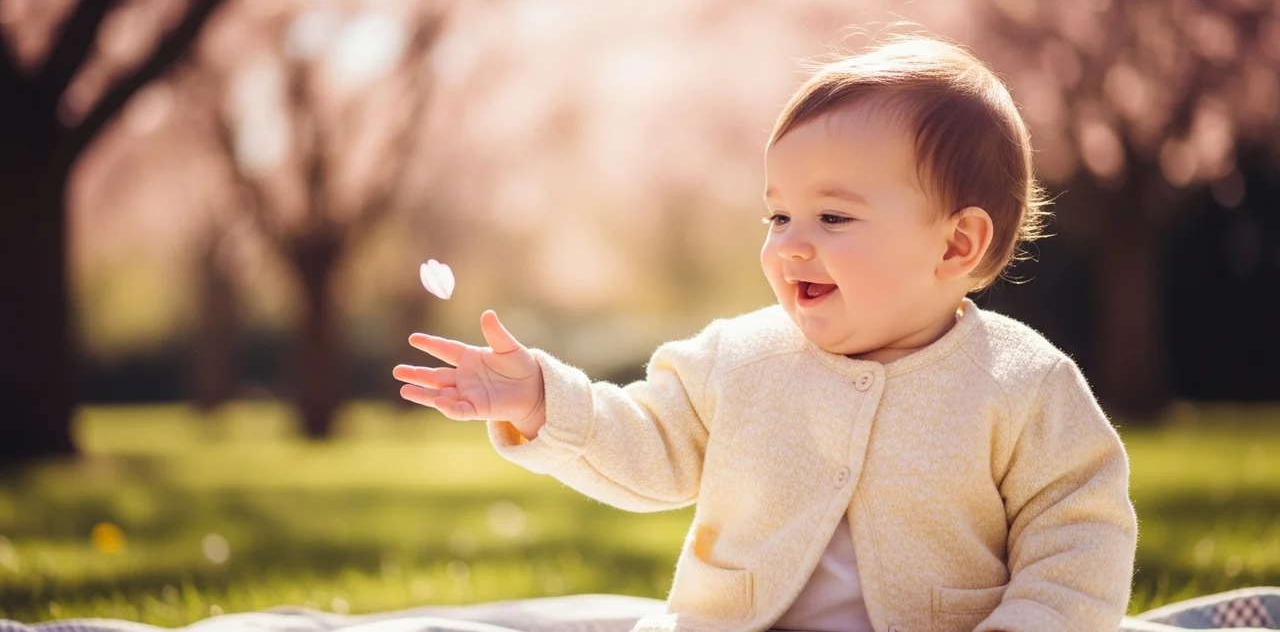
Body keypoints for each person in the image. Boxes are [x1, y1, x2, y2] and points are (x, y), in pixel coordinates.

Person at [392, 34, 1138, 632]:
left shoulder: (1022, 382)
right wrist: (541, 401)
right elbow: (646, 444)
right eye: (778, 216)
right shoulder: (738, 358)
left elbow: (1078, 537)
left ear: (956, 245)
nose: (789, 245)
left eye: (833, 217)